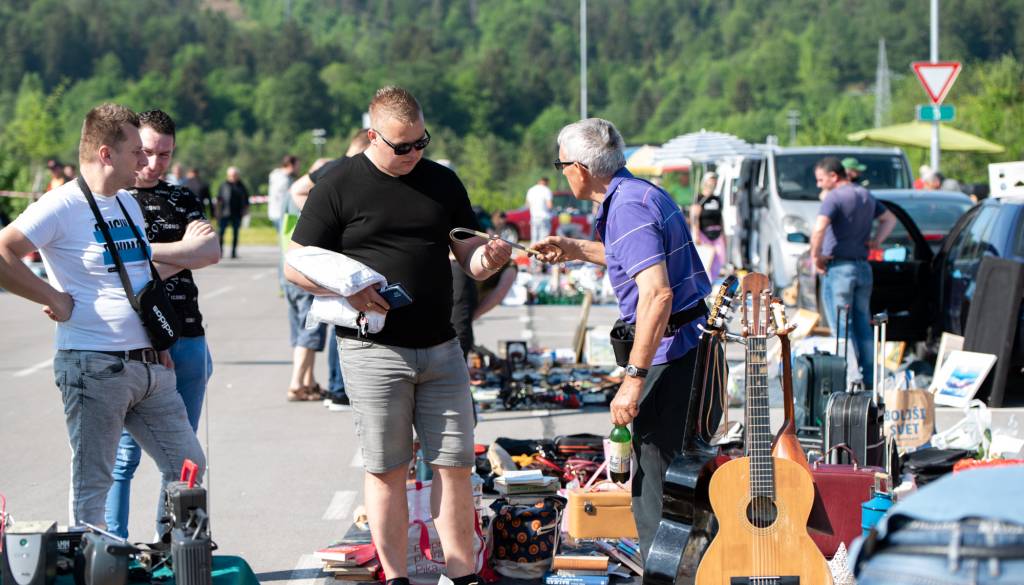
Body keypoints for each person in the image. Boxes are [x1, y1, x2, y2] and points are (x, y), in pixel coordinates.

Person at [285, 86, 511, 585]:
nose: (413, 153)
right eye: (401, 146)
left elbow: (470, 258)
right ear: (373, 136)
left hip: (442, 347)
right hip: (374, 351)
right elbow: (296, 265)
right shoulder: (338, 184)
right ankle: (396, 576)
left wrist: (489, 258)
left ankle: (461, 573)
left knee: (455, 467)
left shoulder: (442, 181)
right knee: (388, 468)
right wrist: (347, 290)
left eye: (421, 142)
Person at [0, 103, 205, 527]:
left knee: (188, 465)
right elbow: (4, 251)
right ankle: (95, 560)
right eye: (136, 152)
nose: (145, 162)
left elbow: (138, 277)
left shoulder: (127, 203)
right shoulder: (61, 205)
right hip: (94, 365)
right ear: (106, 154)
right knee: (94, 483)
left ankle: (175, 553)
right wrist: (52, 297)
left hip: (150, 365)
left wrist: (158, 342)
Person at [534, 118, 711, 562]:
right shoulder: (638, 193)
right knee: (671, 479)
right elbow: (634, 257)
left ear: (579, 169)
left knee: (656, 486)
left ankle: (668, 572)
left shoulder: (627, 207)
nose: (562, 173)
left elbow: (657, 293)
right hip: (684, 346)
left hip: (672, 353)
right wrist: (577, 249)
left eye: (561, 165)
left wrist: (633, 379)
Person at [103, 109, 220, 538]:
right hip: (136, 340)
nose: (154, 164)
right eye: (147, 152)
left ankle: (170, 544)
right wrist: (181, 252)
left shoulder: (182, 197)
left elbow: (210, 253)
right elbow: (115, 266)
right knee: (123, 456)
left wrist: (145, 256)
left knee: (183, 456)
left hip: (187, 335)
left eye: (165, 155)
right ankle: (111, 544)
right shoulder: (114, 200)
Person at [287, 129, 372, 411]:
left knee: (337, 316)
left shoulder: (328, 167)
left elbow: (297, 189)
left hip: (321, 253)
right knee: (346, 316)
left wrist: (318, 219)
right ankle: (339, 389)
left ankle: (334, 388)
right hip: (338, 255)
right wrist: (327, 221)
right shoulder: (353, 170)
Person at [810, 157, 897, 388]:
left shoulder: (834, 198)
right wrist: (876, 241)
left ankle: (850, 378)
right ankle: (870, 378)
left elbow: (819, 229)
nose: (819, 184)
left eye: (821, 179)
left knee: (841, 325)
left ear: (833, 176)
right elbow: (889, 219)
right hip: (863, 267)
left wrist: (816, 256)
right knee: (862, 324)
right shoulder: (865, 195)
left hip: (839, 268)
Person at [689, 172, 726, 278]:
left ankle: (714, 280)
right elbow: (695, 218)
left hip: (717, 233)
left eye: (714, 182)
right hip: (704, 233)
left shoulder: (717, 199)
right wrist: (696, 234)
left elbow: (721, 217)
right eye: (710, 182)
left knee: (719, 259)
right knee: (707, 259)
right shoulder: (699, 199)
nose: (712, 185)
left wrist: (724, 234)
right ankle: (706, 280)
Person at [216, 166, 249, 259]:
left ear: (237, 175)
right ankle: (220, 252)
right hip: (224, 213)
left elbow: (246, 200)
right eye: (231, 175)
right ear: (228, 175)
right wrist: (217, 211)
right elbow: (219, 199)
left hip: (237, 213)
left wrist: (245, 210)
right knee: (221, 233)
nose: (233, 177)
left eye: (234, 175)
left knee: (236, 233)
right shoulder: (223, 185)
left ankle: (233, 252)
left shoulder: (242, 186)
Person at [267, 155, 298, 232]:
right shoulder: (283, 179)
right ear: (290, 165)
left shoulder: (279, 176)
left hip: (278, 213)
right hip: (281, 214)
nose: (298, 168)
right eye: (297, 165)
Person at [525, 176, 553, 244]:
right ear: (546, 182)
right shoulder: (546, 190)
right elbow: (549, 205)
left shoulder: (531, 190)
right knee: (543, 241)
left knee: (534, 239)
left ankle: (533, 251)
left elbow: (527, 205)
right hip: (544, 217)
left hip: (534, 217)